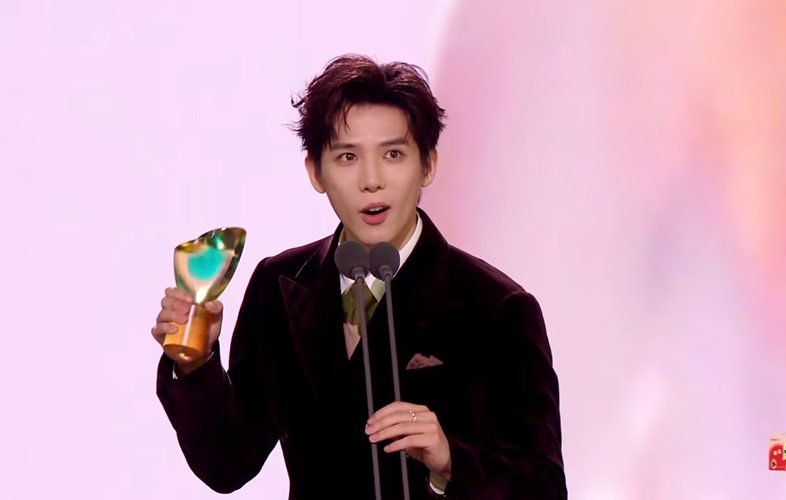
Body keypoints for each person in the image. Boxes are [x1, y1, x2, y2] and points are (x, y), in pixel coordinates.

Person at [152, 54, 566, 499]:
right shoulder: (280, 283)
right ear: (316, 172)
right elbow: (227, 463)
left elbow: (543, 487)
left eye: (393, 154)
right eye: (347, 156)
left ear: (428, 164)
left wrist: (450, 460)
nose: (372, 180)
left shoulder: (496, 308)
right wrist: (195, 362)